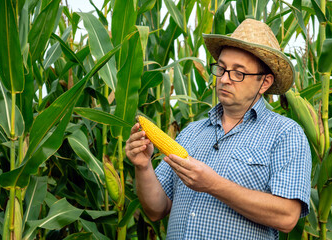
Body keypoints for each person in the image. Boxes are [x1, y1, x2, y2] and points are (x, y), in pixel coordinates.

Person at [125, 19, 311, 239]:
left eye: (238, 73)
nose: (224, 79)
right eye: (221, 68)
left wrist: (214, 185)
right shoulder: (191, 133)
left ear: (265, 82)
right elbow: (156, 210)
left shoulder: (285, 134)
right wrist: (143, 166)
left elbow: (287, 217)